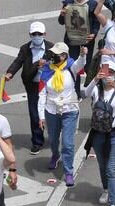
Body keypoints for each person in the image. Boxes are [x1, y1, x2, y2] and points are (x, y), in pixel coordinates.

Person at [83, 62, 115, 206]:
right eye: (106, 72)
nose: (108, 75)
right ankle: (105, 189)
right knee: (102, 165)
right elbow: (85, 93)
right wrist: (95, 79)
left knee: (111, 169)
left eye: (111, 73)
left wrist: (114, 85)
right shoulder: (96, 89)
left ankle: (113, 205)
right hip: (98, 133)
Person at [38, 42, 86, 187]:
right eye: (52, 53)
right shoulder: (46, 70)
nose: (52, 56)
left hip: (69, 110)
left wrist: (83, 55)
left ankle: (68, 171)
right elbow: (42, 94)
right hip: (51, 111)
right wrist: (41, 116)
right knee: (53, 139)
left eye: (56, 54)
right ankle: (55, 155)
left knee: (68, 143)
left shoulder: (71, 66)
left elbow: (80, 63)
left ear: (64, 56)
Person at [4, 22, 52, 155]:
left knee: (51, 112)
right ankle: (37, 141)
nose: (37, 36)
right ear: (30, 35)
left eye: (39, 34)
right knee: (34, 114)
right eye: (34, 34)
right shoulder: (25, 49)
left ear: (44, 34)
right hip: (33, 86)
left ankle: (53, 136)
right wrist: (10, 73)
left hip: (49, 85)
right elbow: (18, 62)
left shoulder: (51, 48)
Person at [58, 0, 100, 80]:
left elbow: (96, 21)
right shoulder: (68, 3)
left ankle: (88, 85)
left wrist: (94, 33)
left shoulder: (92, 4)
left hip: (87, 41)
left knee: (87, 65)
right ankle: (75, 86)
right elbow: (61, 21)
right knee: (74, 65)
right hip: (72, 41)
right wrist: (62, 15)